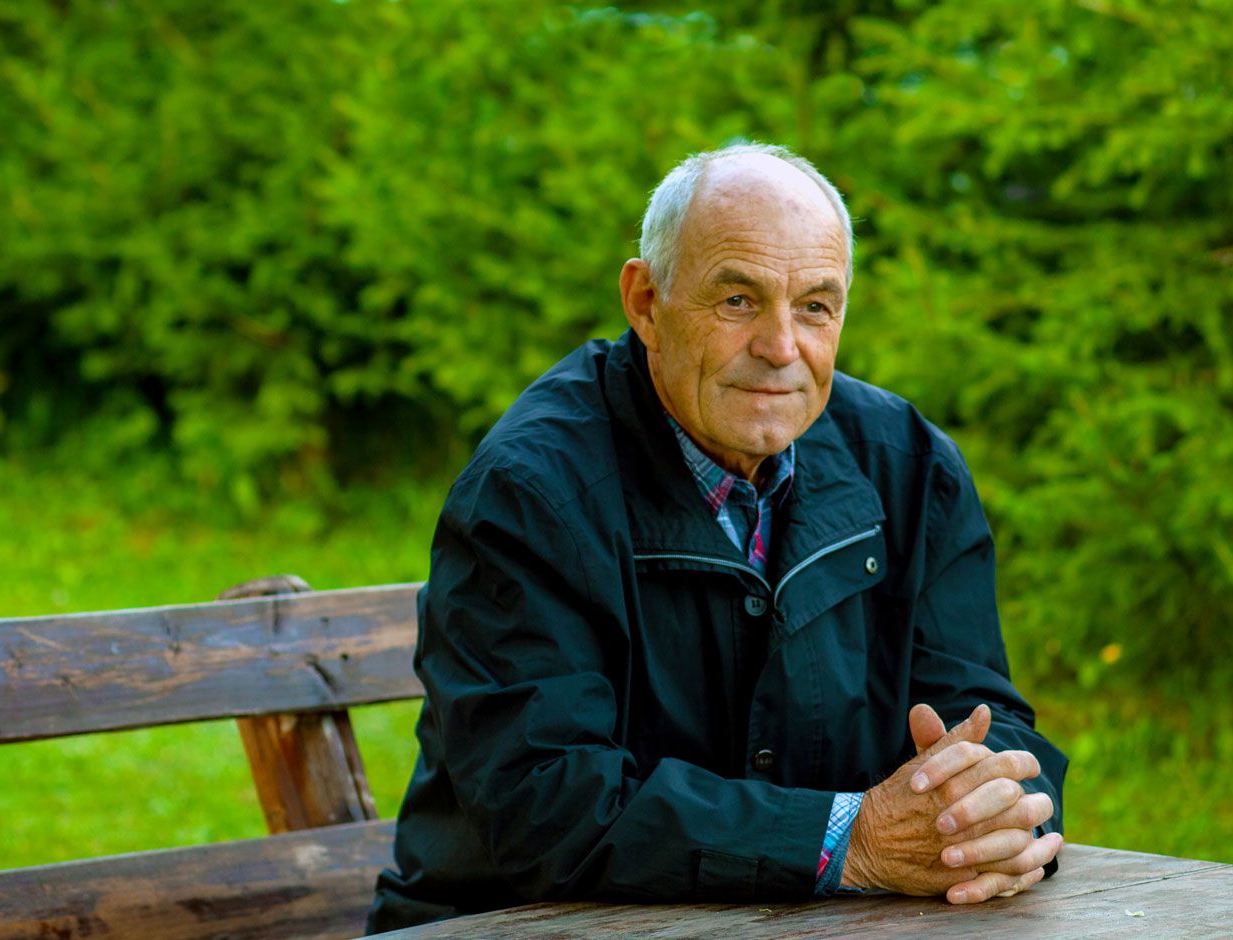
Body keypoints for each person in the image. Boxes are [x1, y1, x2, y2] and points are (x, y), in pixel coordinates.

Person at [366, 142, 1066, 934]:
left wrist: (993, 810)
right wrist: (847, 840)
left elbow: (989, 716)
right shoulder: (531, 492)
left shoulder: (912, 468)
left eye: (814, 306)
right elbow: (546, 801)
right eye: (738, 300)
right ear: (646, 302)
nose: (780, 347)